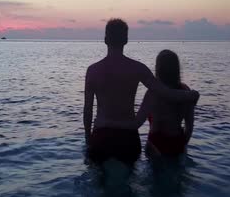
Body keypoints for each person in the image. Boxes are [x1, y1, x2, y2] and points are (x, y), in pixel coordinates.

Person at [83, 19, 199, 167]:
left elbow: (87, 110)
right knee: (128, 186)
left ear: (105, 40)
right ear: (126, 40)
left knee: (99, 185)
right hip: (128, 139)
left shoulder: (92, 71)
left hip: (101, 136)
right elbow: (165, 92)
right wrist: (192, 95)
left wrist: (88, 138)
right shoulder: (138, 68)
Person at [134, 50, 197, 157]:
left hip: (156, 144)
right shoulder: (186, 91)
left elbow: (137, 122)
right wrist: (182, 144)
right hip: (178, 143)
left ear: (158, 68)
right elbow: (189, 127)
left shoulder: (154, 92)